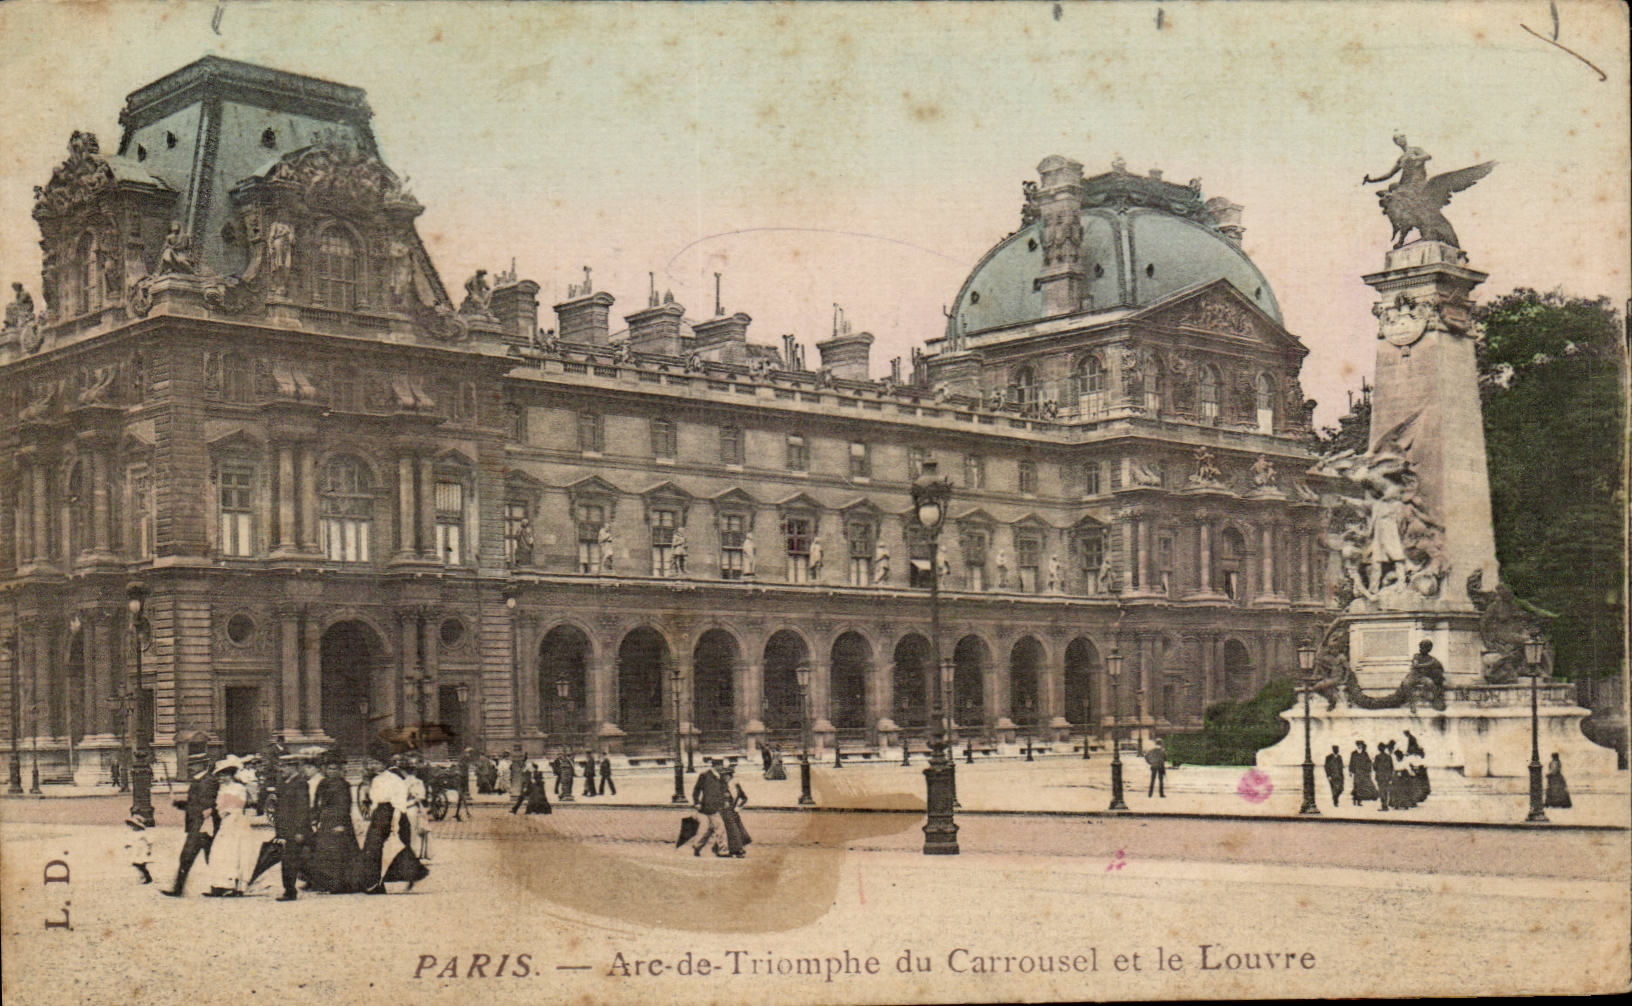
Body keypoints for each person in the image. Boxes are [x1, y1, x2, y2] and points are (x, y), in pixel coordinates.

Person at [360, 756, 429, 894]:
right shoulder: (375, 779)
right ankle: (375, 883)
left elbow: (399, 801)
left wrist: (395, 822)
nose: (374, 766)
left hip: (392, 813)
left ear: (385, 763)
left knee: (389, 846)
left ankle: (402, 874)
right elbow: (375, 801)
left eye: (377, 762)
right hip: (380, 814)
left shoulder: (394, 779)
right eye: (372, 763)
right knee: (372, 847)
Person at [200, 756, 260, 897]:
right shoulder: (222, 789)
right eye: (219, 775)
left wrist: (227, 811)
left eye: (223, 775)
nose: (221, 778)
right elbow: (220, 807)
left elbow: (238, 805)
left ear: (230, 775)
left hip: (236, 821)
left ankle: (234, 885)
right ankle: (219, 885)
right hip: (225, 822)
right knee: (220, 852)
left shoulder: (238, 788)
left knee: (234, 852)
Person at [162, 753, 219, 897]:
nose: (190, 768)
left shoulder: (207, 781)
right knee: (208, 857)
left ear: (202, 765)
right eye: (190, 765)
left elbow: (205, 806)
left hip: (202, 826)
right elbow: (194, 804)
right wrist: (178, 802)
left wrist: (185, 805)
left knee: (189, 856)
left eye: (193, 765)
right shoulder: (200, 781)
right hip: (199, 826)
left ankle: (178, 889)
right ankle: (218, 887)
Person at [275, 754, 318, 901]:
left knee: (290, 860)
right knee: (296, 860)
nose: (282, 769)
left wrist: (299, 831)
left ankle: (290, 891)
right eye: (281, 766)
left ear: (294, 767)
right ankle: (316, 881)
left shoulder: (300, 783)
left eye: (285, 766)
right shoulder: (283, 782)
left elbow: (302, 809)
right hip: (285, 828)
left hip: (296, 829)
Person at [690, 758, 728, 856]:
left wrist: (725, 801)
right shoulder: (705, 775)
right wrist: (696, 802)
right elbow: (696, 790)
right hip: (708, 806)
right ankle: (723, 850)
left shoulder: (721, 776)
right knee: (720, 828)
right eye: (720, 765)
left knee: (709, 830)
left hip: (717, 806)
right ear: (715, 765)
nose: (722, 767)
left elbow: (724, 790)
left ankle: (697, 846)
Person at [717, 765, 752, 858]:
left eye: (727, 775)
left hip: (733, 811)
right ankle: (738, 850)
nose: (725, 778)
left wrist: (738, 807)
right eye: (723, 776)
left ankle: (735, 849)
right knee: (732, 830)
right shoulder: (720, 787)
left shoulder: (735, 786)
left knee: (737, 829)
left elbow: (744, 798)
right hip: (724, 811)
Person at [124, 819, 155, 885]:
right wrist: (128, 845)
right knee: (137, 864)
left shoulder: (143, 833)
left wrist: (149, 850)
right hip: (136, 851)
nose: (132, 827)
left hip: (142, 851)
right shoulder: (134, 833)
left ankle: (147, 878)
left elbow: (150, 842)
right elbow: (133, 841)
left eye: (133, 825)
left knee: (140, 864)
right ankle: (146, 877)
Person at [1349, 741, 1377, 806]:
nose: (1359, 746)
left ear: (1362, 745)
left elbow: (1368, 762)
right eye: (1358, 745)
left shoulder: (1365, 753)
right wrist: (1350, 771)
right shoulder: (1354, 753)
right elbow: (1351, 762)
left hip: (1363, 773)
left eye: (1360, 745)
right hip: (1356, 772)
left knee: (1361, 787)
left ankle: (1359, 801)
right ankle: (1354, 799)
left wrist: (1369, 771)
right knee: (1356, 786)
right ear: (1357, 745)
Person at [1372, 740, 1395, 812]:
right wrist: (1390, 776)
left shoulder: (1377, 757)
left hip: (1380, 777)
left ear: (1379, 749)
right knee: (1386, 791)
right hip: (1387, 776)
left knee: (1382, 791)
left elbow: (1374, 767)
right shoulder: (1389, 757)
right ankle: (1385, 805)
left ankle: (1384, 806)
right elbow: (1392, 767)